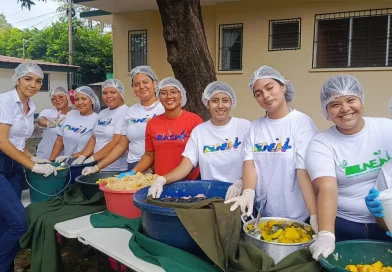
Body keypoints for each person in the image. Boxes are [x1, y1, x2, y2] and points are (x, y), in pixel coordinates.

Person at [306, 75, 392, 261]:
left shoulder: (386, 128)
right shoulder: (321, 144)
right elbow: (327, 188)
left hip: (388, 225)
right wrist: (327, 234)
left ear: (361, 101)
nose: (345, 109)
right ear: (326, 111)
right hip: (345, 225)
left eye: (351, 100)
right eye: (335, 104)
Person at [225, 66, 318, 231]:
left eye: (269, 88)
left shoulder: (302, 123)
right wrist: (248, 192)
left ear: (283, 86)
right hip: (264, 214)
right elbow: (250, 164)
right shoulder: (255, 127)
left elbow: (302, 170)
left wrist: (314, 215)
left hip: (297, 214)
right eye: (258, 94)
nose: (265, 96)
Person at [148, 81, 251, 198]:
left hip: (241, 195)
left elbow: (255, 163)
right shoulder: (199, 131)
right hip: (210, 197)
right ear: (207, 103)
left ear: (232, 102)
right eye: (215, 101)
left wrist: (241, 182)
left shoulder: (244, 127)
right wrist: (162, 179)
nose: (220, 106)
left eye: (225, 100)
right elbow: (186, 166)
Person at [0, 63, 57, 272]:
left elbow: (18, 142)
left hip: (13, 167)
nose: (33, 84)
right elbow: (3, 142)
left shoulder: (31, 106)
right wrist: (33, 166)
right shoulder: (5, 101)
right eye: (28, 79)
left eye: (38, 81)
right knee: (19, 223)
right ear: (17, 80)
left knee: (6, 224)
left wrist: (33, 157)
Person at [81, 66, 164, 175]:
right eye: (136, 84)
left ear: (154, 84)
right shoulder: (131, 112)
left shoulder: (163, 109)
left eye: (145, 82)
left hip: (157, 165)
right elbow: (121, 145)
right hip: (133, 164)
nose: (141, 87)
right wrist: (96, 167)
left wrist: (151, 169)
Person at [116, 77, 203, 179]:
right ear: (159, 97)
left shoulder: (194, 121)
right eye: (163, 93)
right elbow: (149, 155)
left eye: (173, 92)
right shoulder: (152, 123)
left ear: (181, 95)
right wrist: (133, 171)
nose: (169, 96)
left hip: (189, 181)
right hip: (160, 181)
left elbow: (198, 156)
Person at [70, 79, 128, 171]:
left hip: (116, 168)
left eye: (113, 92)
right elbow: (94, 138)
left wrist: (93, 158)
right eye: (105, 93)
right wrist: (83, 156)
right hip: (97, 166)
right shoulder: (102, 113)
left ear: (120, 93)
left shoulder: (125, 113)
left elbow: (116, 142)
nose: (108, 96)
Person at [49, 86, 100, 162]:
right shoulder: (70, 114)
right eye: (77, 99)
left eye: (84, 99)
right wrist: (51, 161)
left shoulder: (97, 120)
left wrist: (70, 157)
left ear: (92, 100)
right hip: (65, 163)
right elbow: (60, 140)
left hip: (85, 164)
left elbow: (93, 147)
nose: (79, 102)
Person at [35, 86, 70, 160]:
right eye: (53, 98)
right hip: (45, 155)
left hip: (63, 157)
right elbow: (40, 120)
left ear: (67, 97)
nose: (57, 100)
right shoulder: (48, 112)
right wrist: (48, 123)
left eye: (61, 97)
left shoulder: (73, 115)